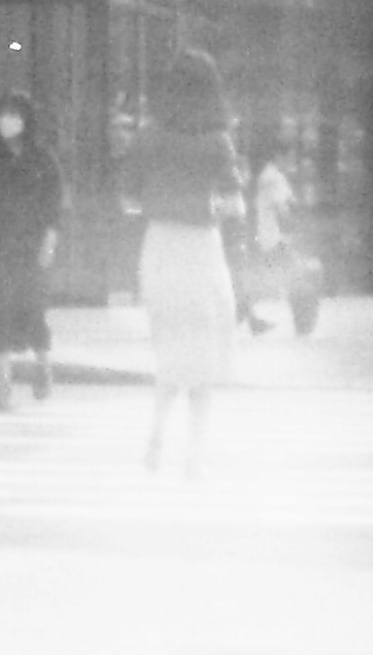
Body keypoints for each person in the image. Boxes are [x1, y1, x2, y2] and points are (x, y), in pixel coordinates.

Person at [121, 49, 244, 476]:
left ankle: (155, 439)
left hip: (159, 247)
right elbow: (233, 206)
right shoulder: (218, 141)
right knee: (203, 356)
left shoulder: (149, 135)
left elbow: (130, 196)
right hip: (200, 248)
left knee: (169, 350)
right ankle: (194, 454)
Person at [0, 91, 66, 410]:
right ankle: (2, 385)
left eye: (13, 115)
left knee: (33, 311)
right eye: (2, 115)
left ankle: (43, 367)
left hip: (30, 248)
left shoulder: (43, 160)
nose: (6, 121)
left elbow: (54, 206)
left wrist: (49, 243)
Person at [234, 136, 296, 334]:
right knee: (286, 274)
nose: (290, 162)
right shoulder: (273, 177)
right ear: (279, 156)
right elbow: (282, 209)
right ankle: (243, 313)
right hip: (272, 236)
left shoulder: (270, 175)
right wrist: (293, 228)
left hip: (266, 234)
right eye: (288, 157)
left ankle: (247, 316)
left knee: (266, 276)